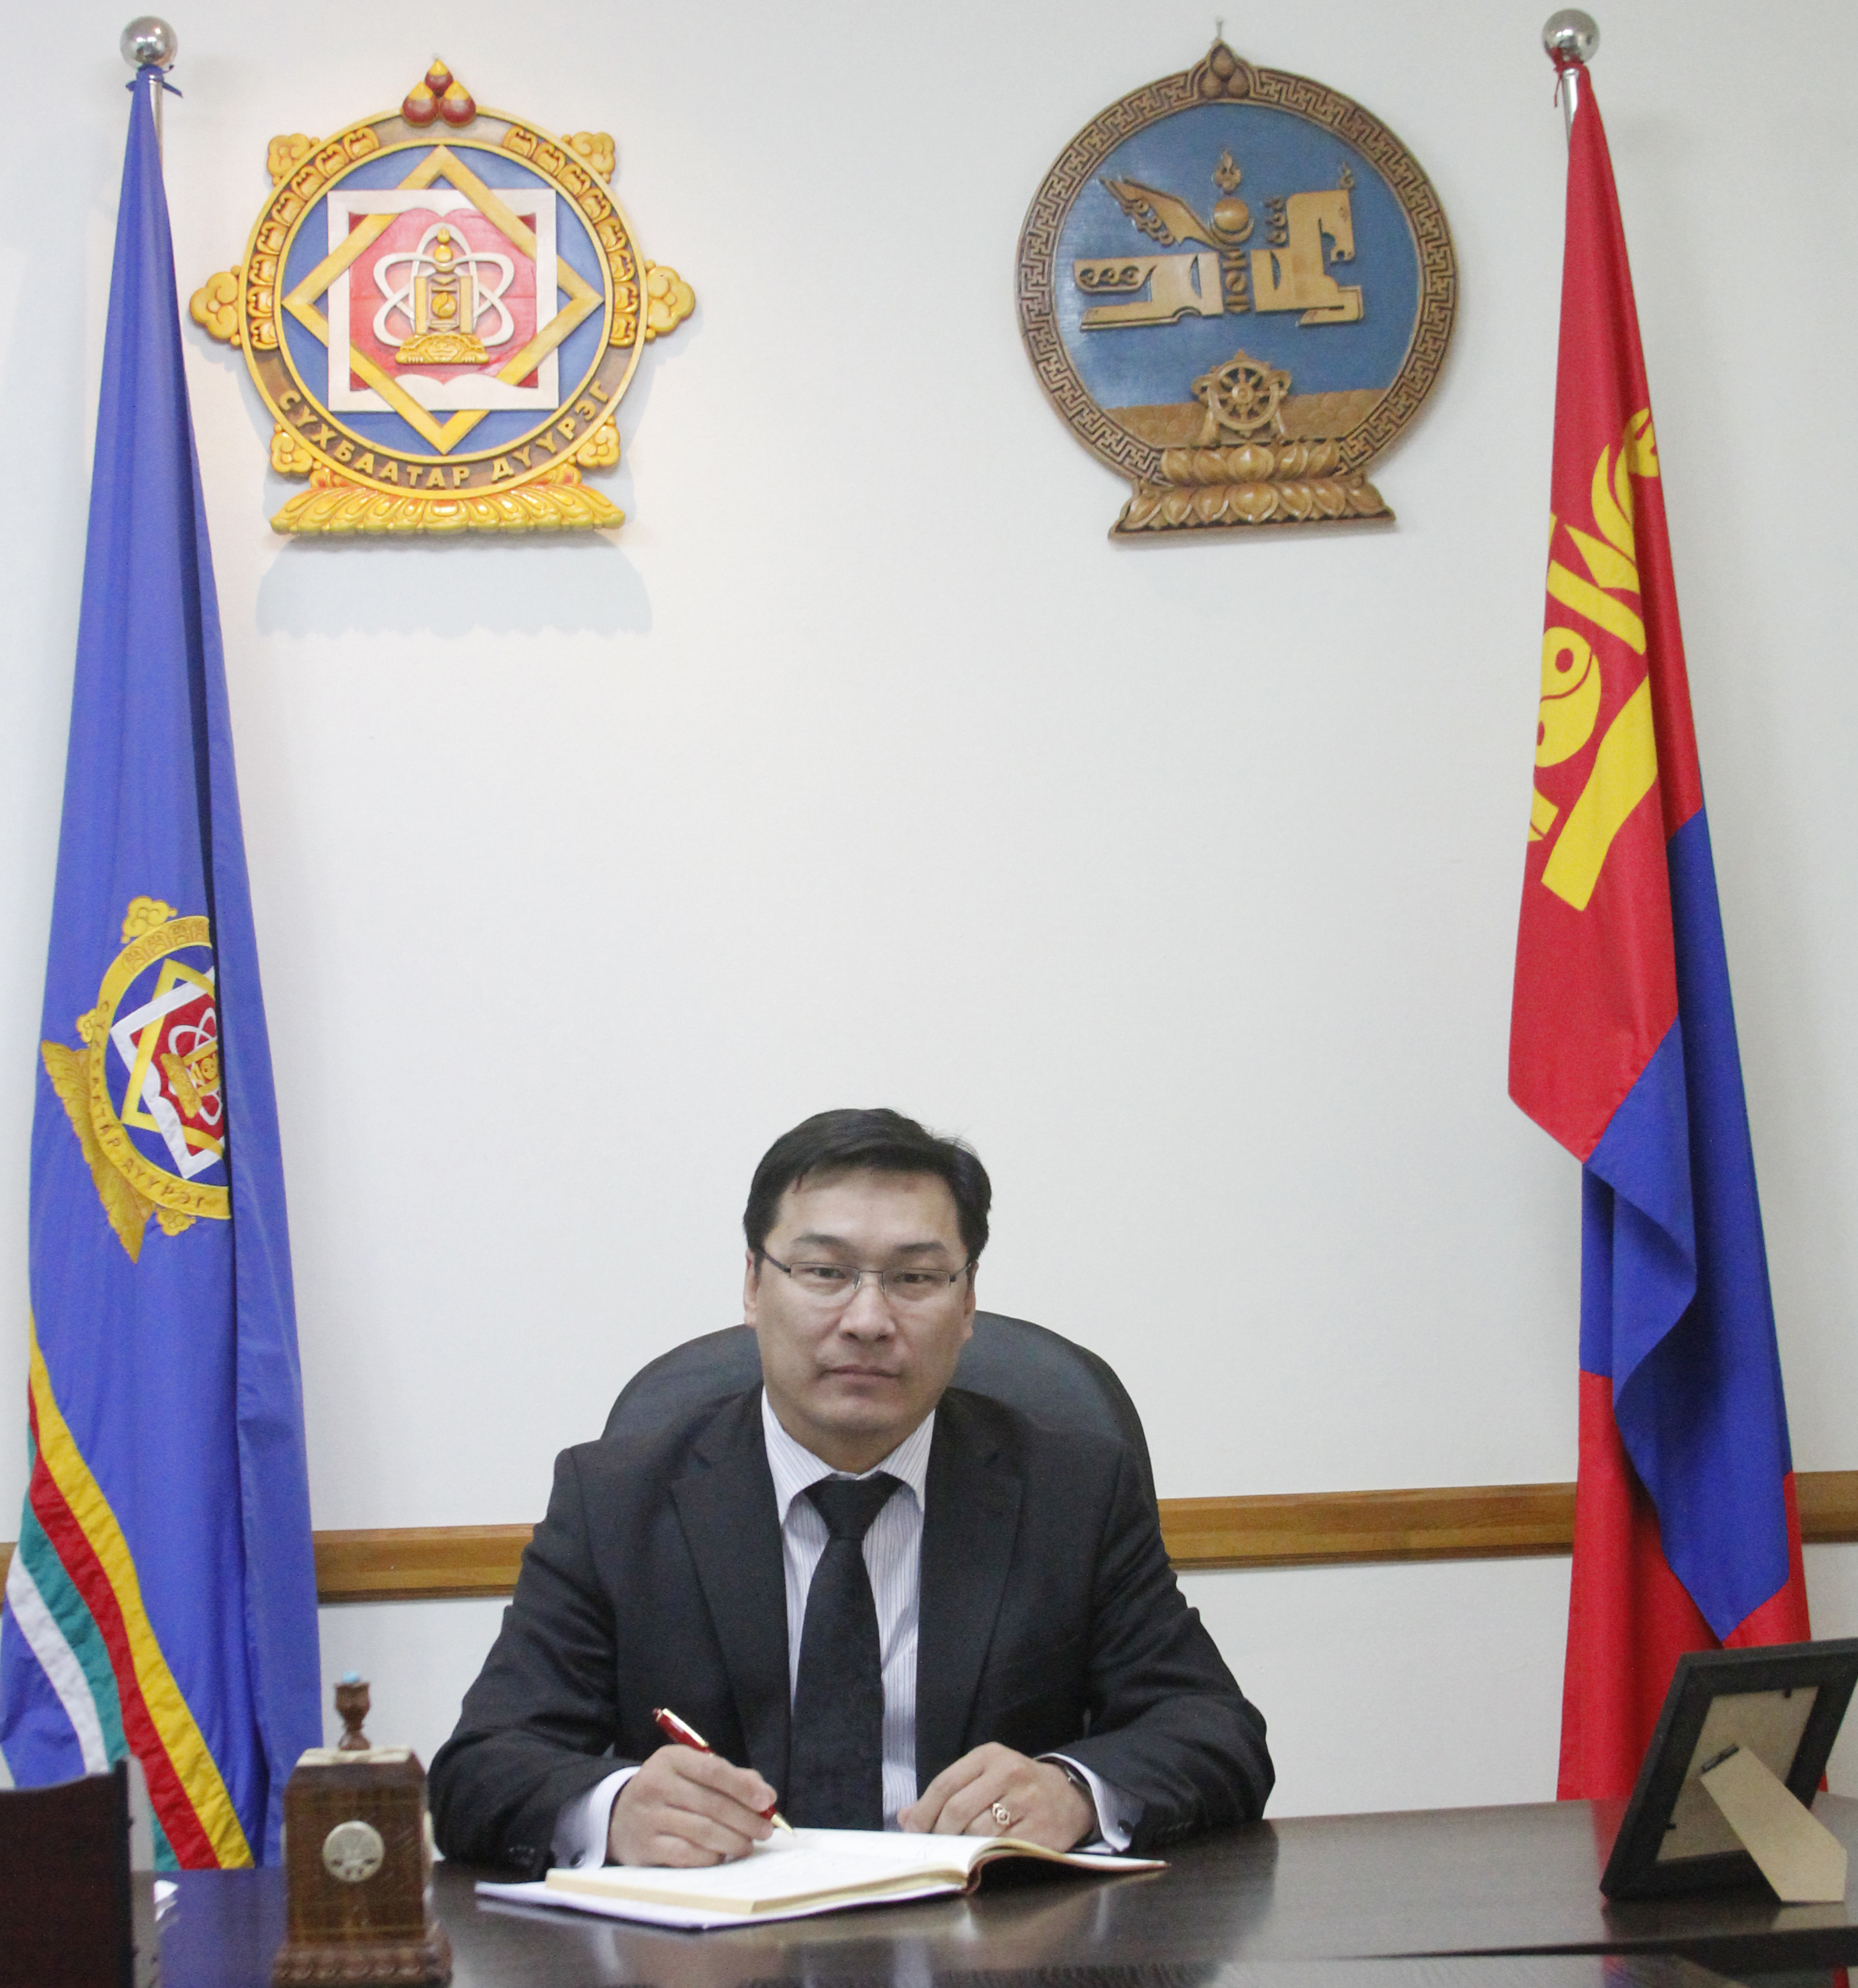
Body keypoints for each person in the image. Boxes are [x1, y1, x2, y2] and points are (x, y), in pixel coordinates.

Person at [429, 1108, 1272, 1874]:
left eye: (915, 1279)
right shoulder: (615, 1500)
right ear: (754, 1286)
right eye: (825, 1271)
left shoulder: (1072, 1493)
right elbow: (482, 1768)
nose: (868, 1320)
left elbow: (1216, 1733)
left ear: (968, 1304)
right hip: (713, 1952)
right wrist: (615, 1808)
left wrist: (1073, 1789)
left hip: (988, 1946)